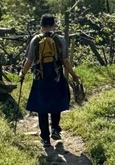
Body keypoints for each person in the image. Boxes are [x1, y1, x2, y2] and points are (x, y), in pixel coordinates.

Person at [20, 14, 81, 147]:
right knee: (56, 103)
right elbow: (65, 61)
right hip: (56, 77)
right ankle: (55, 129)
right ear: (54, 25)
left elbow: (29, 61)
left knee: (41, 108)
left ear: (41, 25)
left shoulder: (35, 40)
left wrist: (22, 74)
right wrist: (73, 75)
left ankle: (45, 138)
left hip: (40, 78)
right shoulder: (60, 40)